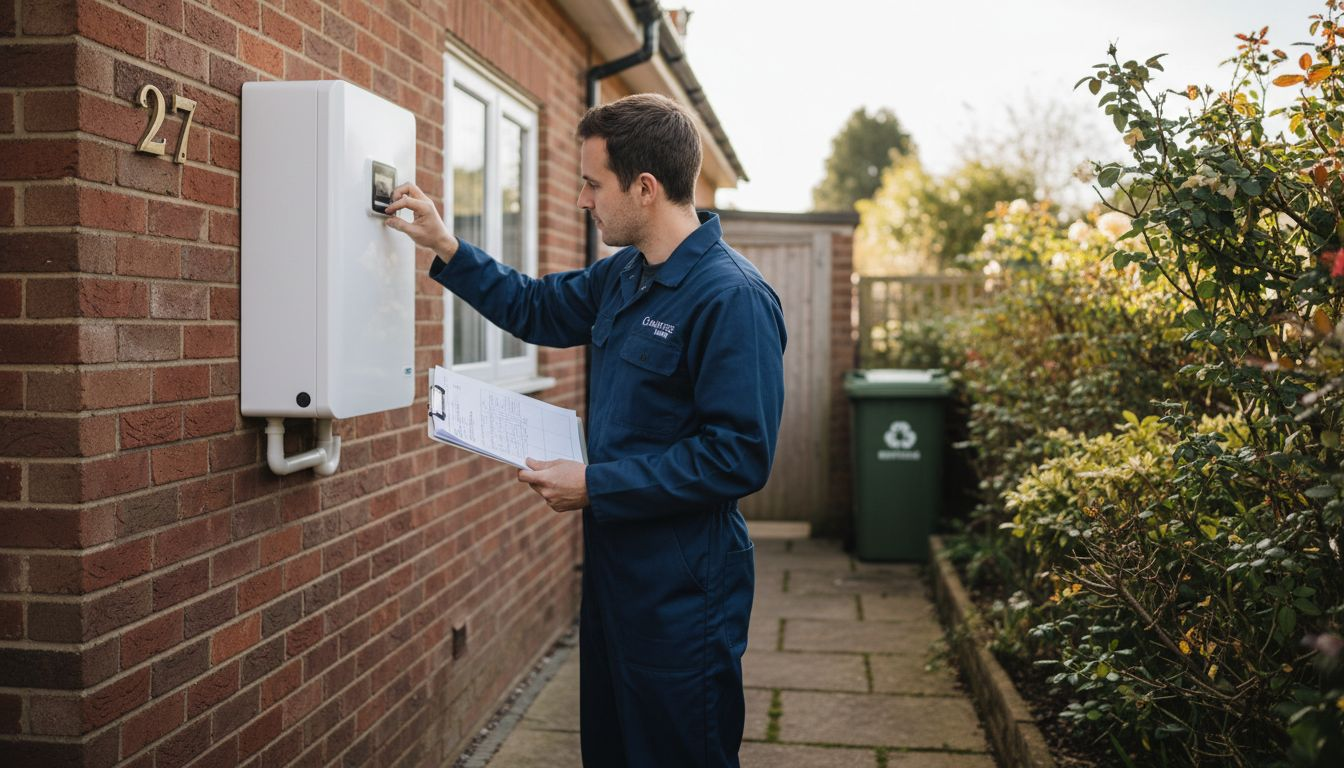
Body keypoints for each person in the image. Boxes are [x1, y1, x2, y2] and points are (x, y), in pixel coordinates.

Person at [384, 92, 785, 768]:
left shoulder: (732, 298)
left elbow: (738, 456)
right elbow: (535, 308)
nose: (581, 199)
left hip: (683, 588)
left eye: (593, 184)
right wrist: (445, 244)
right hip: (612, 574)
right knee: (611, 748)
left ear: (645, 188)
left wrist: (597, 485)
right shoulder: (625, 274)